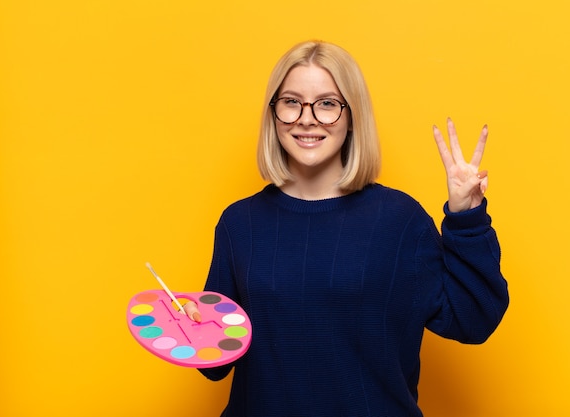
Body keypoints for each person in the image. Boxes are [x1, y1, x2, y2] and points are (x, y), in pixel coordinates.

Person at [183, 40, 509, 417]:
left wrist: (466, 216)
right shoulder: (240, 224)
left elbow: (473, 319)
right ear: (273, 115)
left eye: (326, 103)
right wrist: (191, 326)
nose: (307, 118)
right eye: (291, 102)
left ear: (352, 116)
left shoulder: (399, 220)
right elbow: (215, 364)